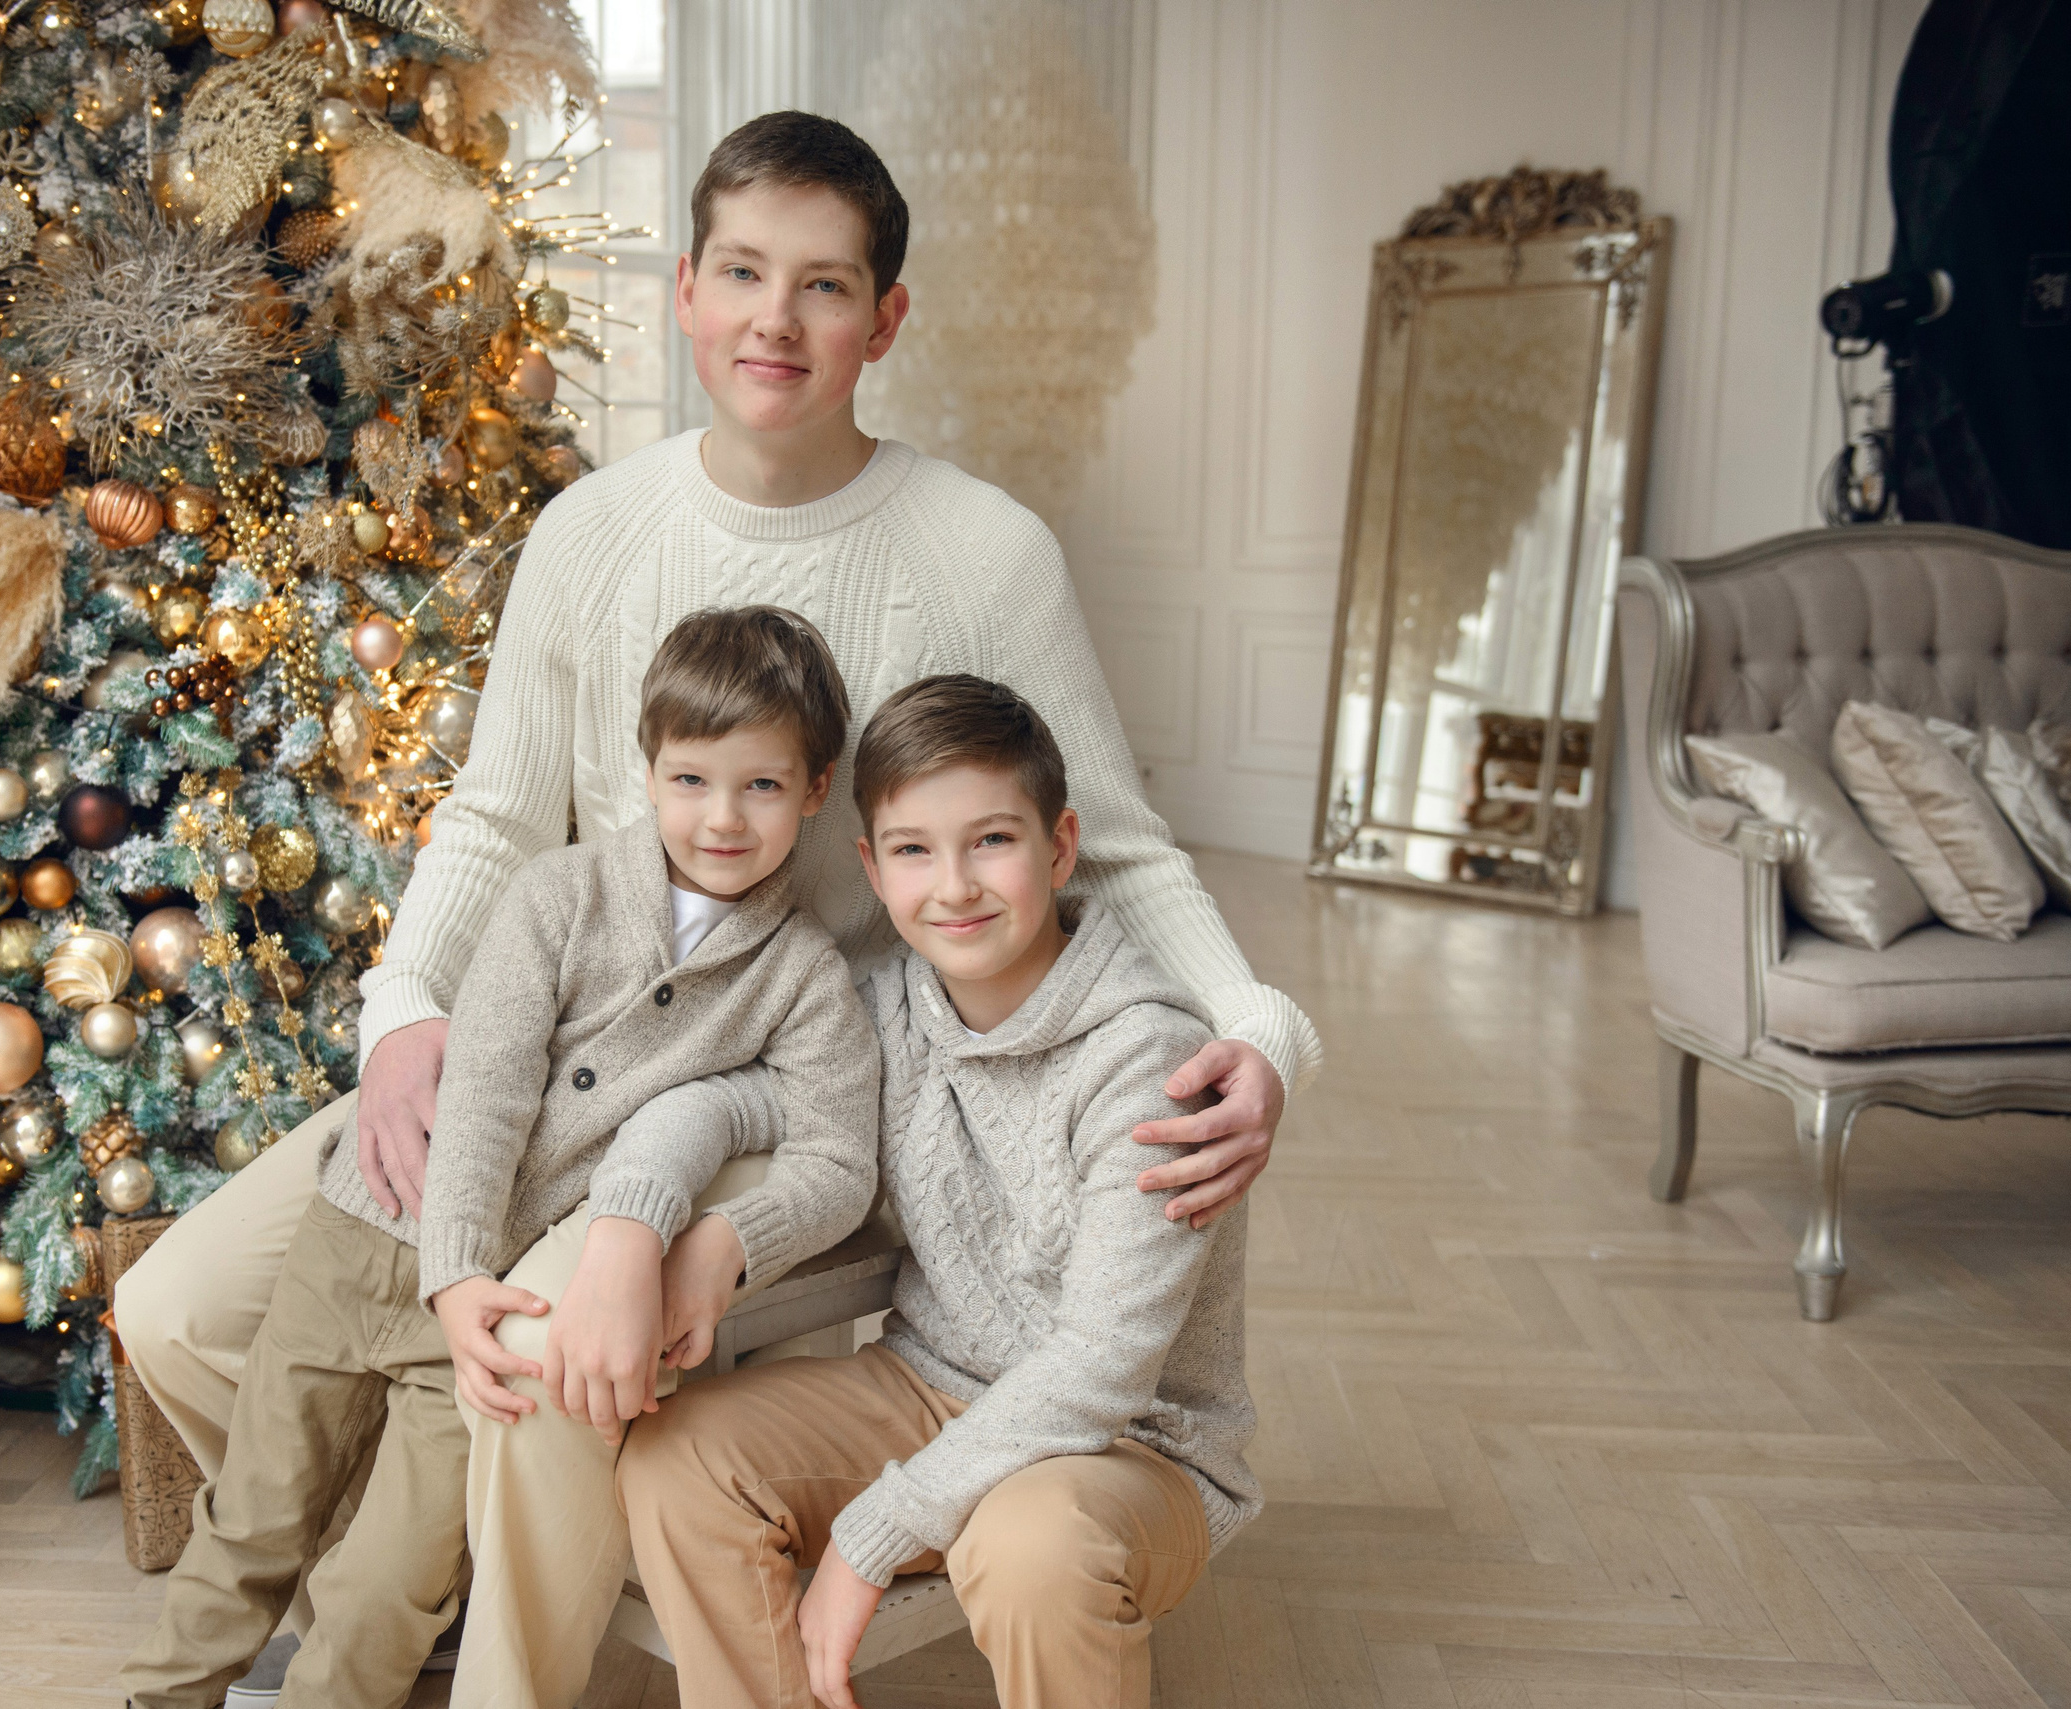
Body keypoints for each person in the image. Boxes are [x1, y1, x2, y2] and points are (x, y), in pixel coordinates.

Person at [113, 107, 1320, 1705]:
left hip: (789, 1084)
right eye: (743, 272)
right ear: (684, 289)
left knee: (544, 1349)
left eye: (825, 286)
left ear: (884, 321)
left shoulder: (985, 552)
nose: (776, 318)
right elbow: (493, 814)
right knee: (177, 1303)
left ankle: (428, 1624)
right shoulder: (590, 534)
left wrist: (1260, 1029)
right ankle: (398, 1584)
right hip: (562, 1041)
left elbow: (1123, 848)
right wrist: (408, 1017)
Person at [116, 607, 880, 1709]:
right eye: (691, 779)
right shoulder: (559, 895)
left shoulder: (802, 975)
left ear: (814, 791)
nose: (721, 817)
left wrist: (723, 1241)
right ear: (649, 770)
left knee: (395, 1578)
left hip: (472, 1328)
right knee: (253, 1513)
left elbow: (839, 1160)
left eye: (760, 786)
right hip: (367, 1239)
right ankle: (159, 1695)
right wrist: (454, 1265)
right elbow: (481, 1083)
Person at [618, 675, 1259, 1709]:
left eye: (991, 840)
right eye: (915, 848)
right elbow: (730, 1098)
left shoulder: (1150, 1059)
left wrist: (866, 1543)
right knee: (676, 1456)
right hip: (926, 1388)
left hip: (1129, 1448)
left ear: (1058, 846)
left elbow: (1099, 1369)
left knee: (1030, 1541)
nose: (953, 884)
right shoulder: (882, 1008)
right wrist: (656, 1222)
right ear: (872, 868)